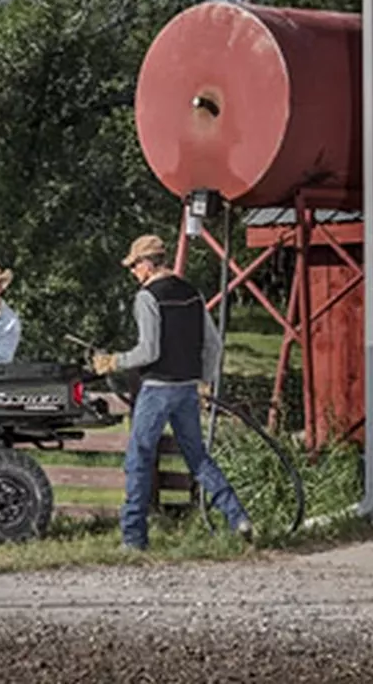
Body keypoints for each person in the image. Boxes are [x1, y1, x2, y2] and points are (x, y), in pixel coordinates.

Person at [91, 234, 254, 550]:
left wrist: (114, 361)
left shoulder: (147, 297)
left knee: (139, 459)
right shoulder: (192, 293)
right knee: (198, 458)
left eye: (135, 265)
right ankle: (238, 518)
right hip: (187, 389)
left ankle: (133, 538)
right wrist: (204, 380)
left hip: (157, 389)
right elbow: (214, 345)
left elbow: (149, 351)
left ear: (148, 263)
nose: (133, 272)